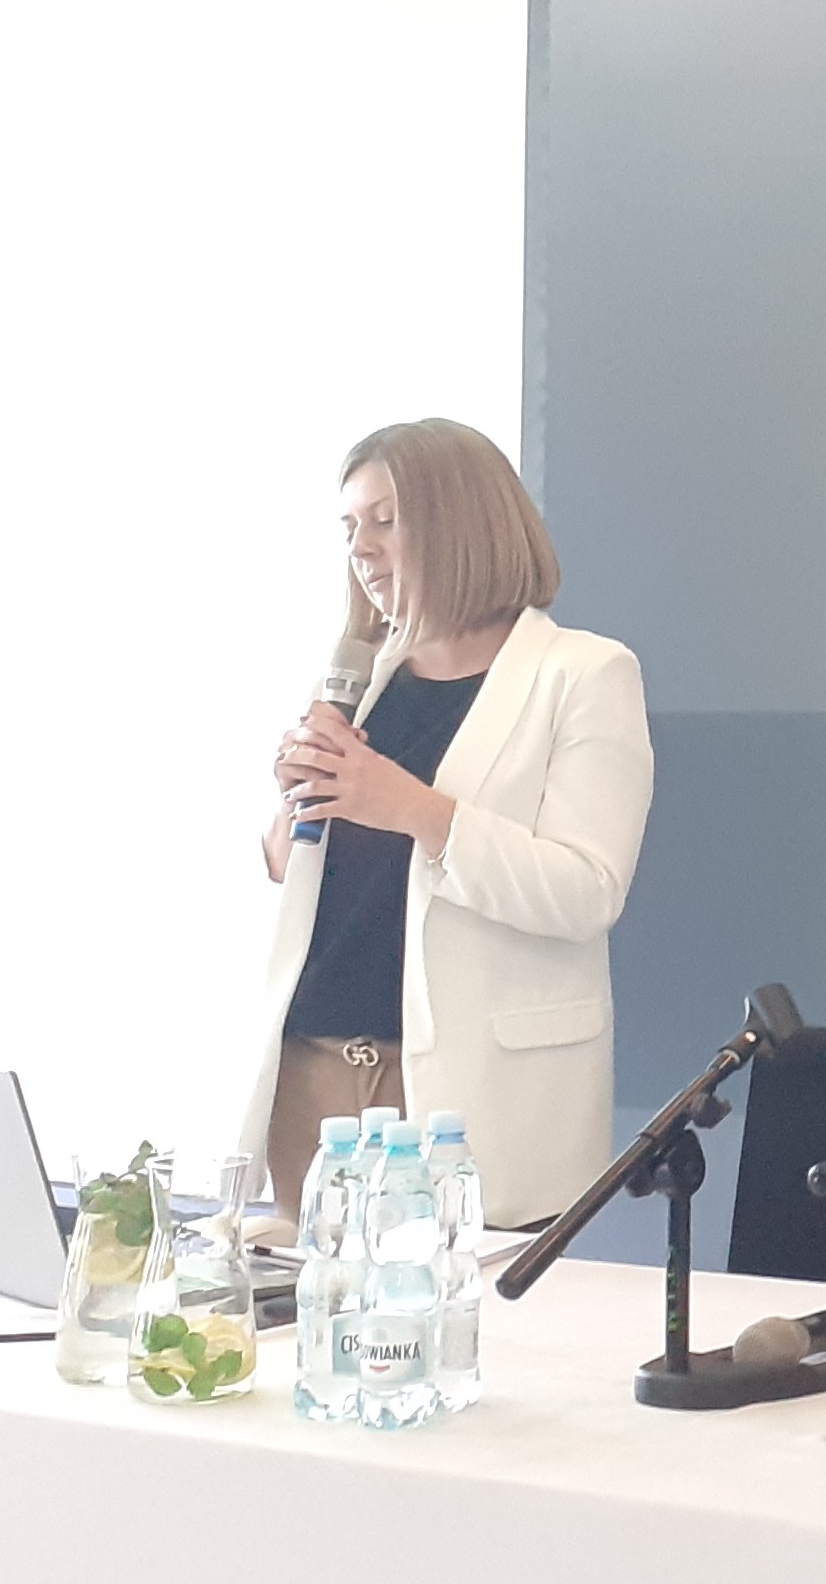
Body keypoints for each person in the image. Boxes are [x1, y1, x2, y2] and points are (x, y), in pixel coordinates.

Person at [239, 418, 654, 1230]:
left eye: (386, 521)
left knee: (458, 1305)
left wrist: (410, 807)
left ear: (462, 522)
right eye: (350, 527)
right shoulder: (358, 676)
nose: (362, 550)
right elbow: (293, 868)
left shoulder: (584, 673)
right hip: (313, 1077)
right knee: (314, 1304)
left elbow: (586, 892)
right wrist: (294, 805)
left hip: (469, 1093)